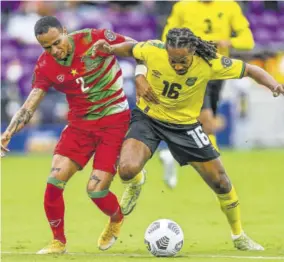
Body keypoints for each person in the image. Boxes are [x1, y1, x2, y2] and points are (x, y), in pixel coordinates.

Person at [92, 27, 284, 250]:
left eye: (182, 60)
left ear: (193, 51)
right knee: (126, 169)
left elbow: (250, 70)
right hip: (148, 119)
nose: (177, 65)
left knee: (221, 182)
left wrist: (274, 85)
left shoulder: (211, 62)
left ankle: (239, 235)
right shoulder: (155, 49)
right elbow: (133, 49)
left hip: (185, 127)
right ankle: (136, 182)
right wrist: (111, 49)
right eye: (173, 60)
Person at [1, 16, 136, 254]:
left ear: (65, 30)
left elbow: (137, 48)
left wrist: (140, 74)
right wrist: (7, 132)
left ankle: (116, 219)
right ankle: (58, 242)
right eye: (47, 47)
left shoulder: (94, 38)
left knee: (96, 191)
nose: (54, 50)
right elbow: (29, 105)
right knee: (54, 181)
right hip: (79, 125)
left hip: (114, 122)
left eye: (57, 42)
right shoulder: (45, 65)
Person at [160, 0, 255, 186]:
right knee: (207, 122)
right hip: (192, 70)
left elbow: (248, 41)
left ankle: (173, 155)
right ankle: (217, 172)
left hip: (218, 71)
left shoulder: (229, 6)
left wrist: (229, 41)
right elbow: (166, 37)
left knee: (201, 124)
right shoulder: (183, 7)